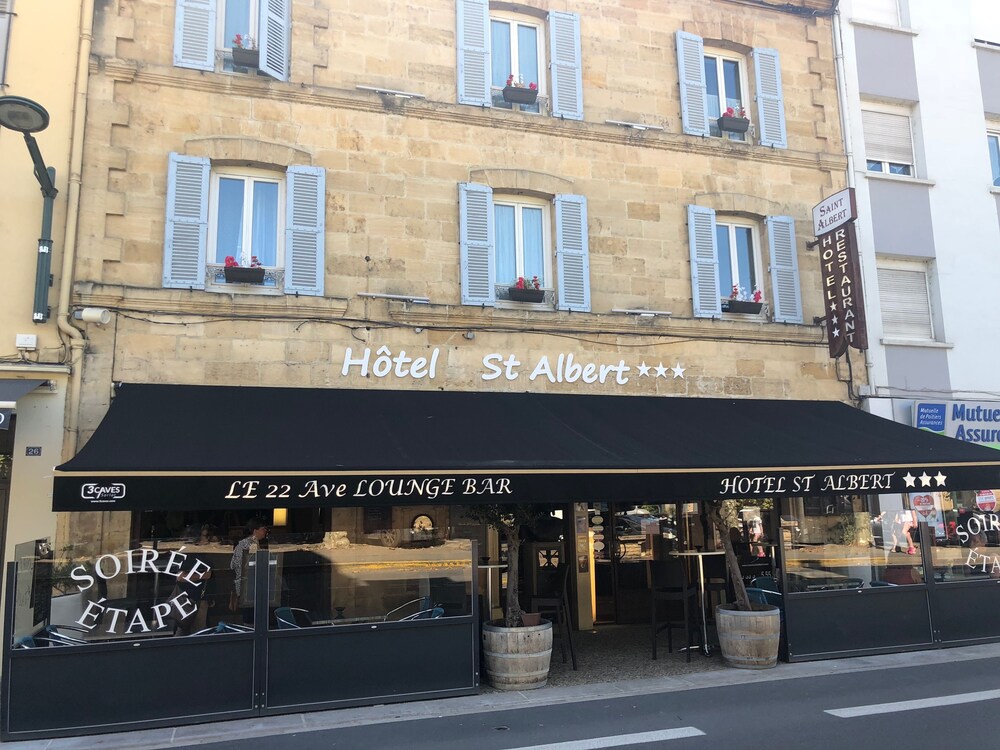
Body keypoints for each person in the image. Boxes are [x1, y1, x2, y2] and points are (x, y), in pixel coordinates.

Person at [231, 518, 268, 624]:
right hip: (249, 586)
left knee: (248, 615)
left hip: (243, 584)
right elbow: (253, 565)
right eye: (263, 529)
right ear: (255, 531)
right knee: (251, 617)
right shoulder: (251, 544)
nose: (265, 531)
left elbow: (232, 565)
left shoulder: (243, 543)